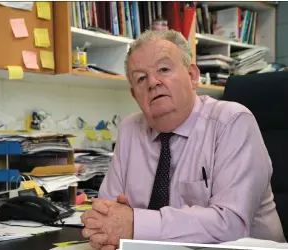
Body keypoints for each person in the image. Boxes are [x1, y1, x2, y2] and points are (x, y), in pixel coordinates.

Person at [80, 29, 286, 250]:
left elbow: (231, 224)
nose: (153, 83)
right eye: (141, 78)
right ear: (134, 94)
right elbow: (106, 213)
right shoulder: (130, 129)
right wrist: (106, 230)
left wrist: (135, 224)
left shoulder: (232, 122)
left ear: (192, 76)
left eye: (164, 69)